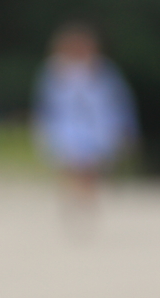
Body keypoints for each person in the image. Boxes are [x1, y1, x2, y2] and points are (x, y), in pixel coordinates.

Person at [32, 22, 138, 209]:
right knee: (69, 164)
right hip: (65, 125)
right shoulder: (54, 69)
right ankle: (74, 198)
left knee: (90, 166)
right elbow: (46, 103)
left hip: (97, 125)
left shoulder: (104, 69)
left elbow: (118, 102)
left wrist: (125, 128)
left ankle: (87, 199)